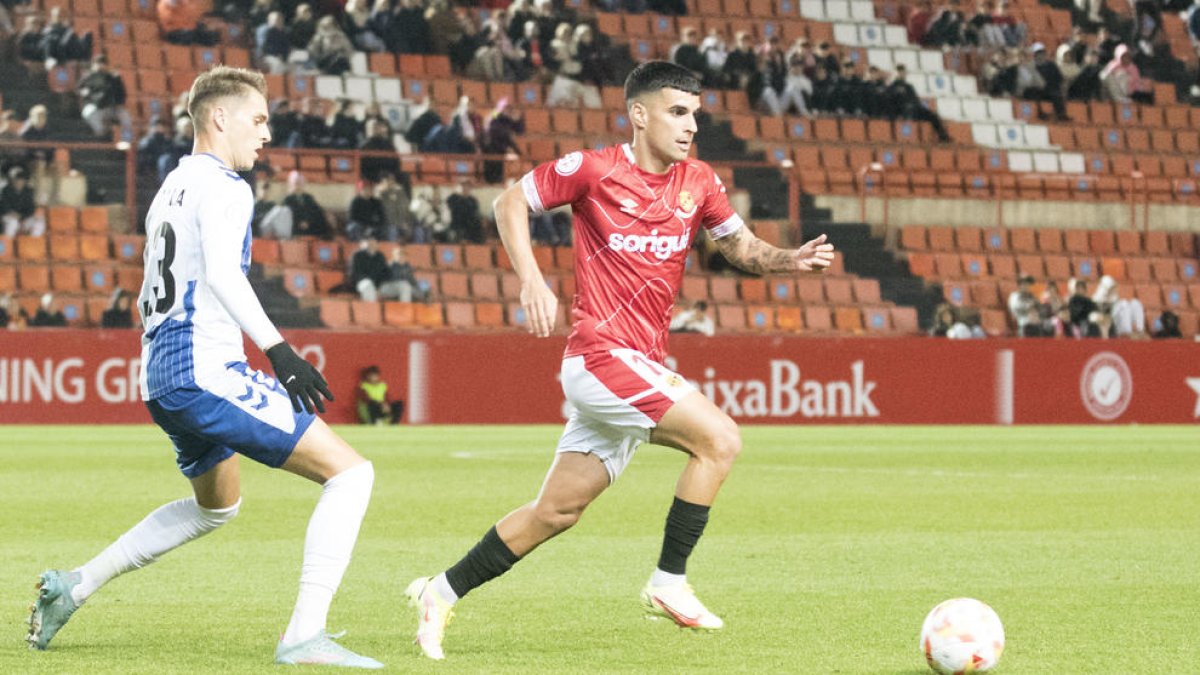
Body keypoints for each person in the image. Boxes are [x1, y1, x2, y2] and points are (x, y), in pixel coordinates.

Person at [403, 61, 836, 661]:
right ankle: (668, 581)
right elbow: (509, 203)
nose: (690, 126)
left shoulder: (700, 181)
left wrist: (790, 260)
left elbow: (738, 246)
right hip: (601, 357)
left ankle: (441, 590)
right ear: (639, 114)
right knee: (721, 441)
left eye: (695, 115)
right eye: (677, 112)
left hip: (636, 364)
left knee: (555, 511)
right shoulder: (593, 169)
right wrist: (531, 280)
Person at [25, 66, 382, 669]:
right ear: (220, 117)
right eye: (259, 119)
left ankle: (73, 586)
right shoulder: (225, 186)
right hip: (203, 371)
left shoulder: (172, 187)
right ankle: (304, 636)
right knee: (351, 476)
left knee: (216, 507)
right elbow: (223, 273)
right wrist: (279, 350)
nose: (266, 134)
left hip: (162, 375)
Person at [76, 55, 134, 140]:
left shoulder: (113, 77)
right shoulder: (88, 77)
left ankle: (127, 140)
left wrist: (120, 103)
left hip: (111, 108)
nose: (100, 66)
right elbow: (78, 89)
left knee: (125, 117)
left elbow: (122, 93)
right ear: (93, 65)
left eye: (102, 63)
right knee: (90, 116)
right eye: (97, 63)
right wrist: (84, 92)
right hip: (95, 107)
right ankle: (102, 139)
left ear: (106, 65)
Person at [282, 170, 332, 238]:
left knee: (321, 219)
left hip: (310, 225)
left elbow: (317, 210)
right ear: (291, 183)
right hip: (296, 227)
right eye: (296, 182)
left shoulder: (308, 197)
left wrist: (308, 221)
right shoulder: (287, 200)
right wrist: (299, 223)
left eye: (300, 182)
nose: (298, 184)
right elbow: (287, 216)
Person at [1, 166, 44, 237]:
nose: (20, 181)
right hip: (9, 217)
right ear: (12, 180)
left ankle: (31, 246)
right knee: (13, 223)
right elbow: (4, 207)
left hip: (24, 217)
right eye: (17, 179)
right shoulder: (6, 190)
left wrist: (22, 217)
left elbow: (31, 208)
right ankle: (8, 246)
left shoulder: (28, 191)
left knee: (39, 223)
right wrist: (14, 215)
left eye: (22, 179)